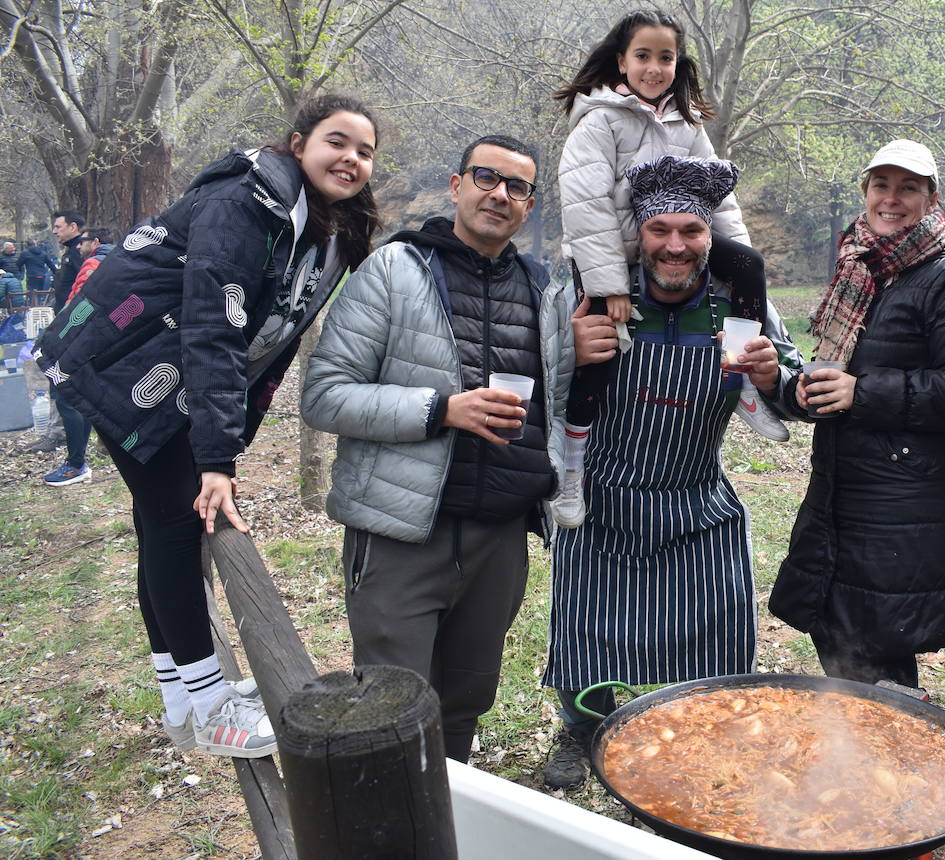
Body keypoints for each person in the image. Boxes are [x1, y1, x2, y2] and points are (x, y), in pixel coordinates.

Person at [35, 94, 381, 758]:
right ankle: (211, 702)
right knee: (174, 520)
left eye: (365, 152)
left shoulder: (313, 223)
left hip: (157, 375)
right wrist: (216, 459)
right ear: (297, 140)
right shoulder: (247, 200)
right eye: (338, 141)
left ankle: (182, 697)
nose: (353, 158)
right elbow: (214, 330)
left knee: (159, 524)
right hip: (119, 361)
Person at [301, 134, 575, 763]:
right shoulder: (395, 270)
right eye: (486, 177)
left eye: (517, 187)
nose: (500, 195)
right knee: (394, 705)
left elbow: (559, 401)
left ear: (530, 205)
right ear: (456, 186)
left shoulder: (544, 289)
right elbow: (324, 395)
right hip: (402, 534)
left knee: (465, 702)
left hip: (499, 538)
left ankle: (449, 816)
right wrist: (440, 410)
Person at [541, 154, 800, 790]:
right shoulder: (593, 296)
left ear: (711, 236)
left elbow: (793, 385)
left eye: (691, 231)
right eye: (661, 232)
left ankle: (709, 728)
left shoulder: (740, 305)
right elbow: (532, 372)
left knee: (717, 627)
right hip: (600, 496)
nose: (676, 246)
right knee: (586, 629)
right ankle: (581, 731)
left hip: (695, 497)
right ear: (640, 235)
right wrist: (568, 353)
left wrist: (772, 376)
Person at [551, 8, 788, 530]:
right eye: (643, 56)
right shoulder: (599, 121)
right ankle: (572, 465)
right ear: (622, 60)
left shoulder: (687, 122)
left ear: (678, 62)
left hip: (675, 240)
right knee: (598, 354)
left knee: (749, 263)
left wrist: (739, 269)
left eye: (666, 56)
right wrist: (609, 283)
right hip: (610, 252)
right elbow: (586, 206)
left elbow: (719, 200)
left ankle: (745, 381)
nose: (655, 67)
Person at [768, 140, 945, 689]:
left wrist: (861, 393)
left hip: (905, 496)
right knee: (838, 630)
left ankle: (895, 762)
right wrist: (790, 388)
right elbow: (833, 373)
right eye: (881, 186)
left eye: (908, 187)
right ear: (865, 192)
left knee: (879, 643)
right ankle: (862, 757)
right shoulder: (859, 268)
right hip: (841, 483)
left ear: (932, 198)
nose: (892, 199)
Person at [43, 228, 113, 487]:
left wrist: (56, 335)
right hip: (103, 341)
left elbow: (80, 303)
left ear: (94, 242)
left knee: (67, 397)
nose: (78, 246)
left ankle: (75, 465)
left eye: (82, 241)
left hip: (80, 342)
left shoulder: (94, 263)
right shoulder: (118, 260)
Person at [50, 210, 86, 308]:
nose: (54, 231)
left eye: (58, 227)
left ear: (73, 227)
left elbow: (86, 285)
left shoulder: (79, 250)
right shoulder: (71, 249)